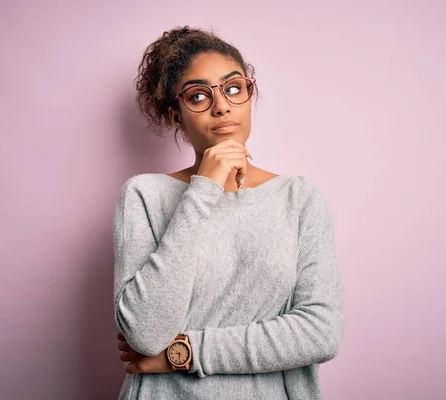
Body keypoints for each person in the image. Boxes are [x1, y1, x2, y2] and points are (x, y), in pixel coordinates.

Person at [113, 25, 344, 400]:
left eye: (233, 88)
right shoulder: (144, 195)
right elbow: (145, 334)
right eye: (198, 96)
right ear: (176, 116)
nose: (221, 106)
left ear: (249, 96)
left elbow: (319, 333)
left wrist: (181, 353)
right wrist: (203, 190)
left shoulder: (299, 198)